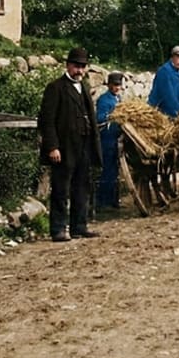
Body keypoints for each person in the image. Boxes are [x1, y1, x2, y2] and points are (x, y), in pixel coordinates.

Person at [38, 47, 102, 242]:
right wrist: (52, 147)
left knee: (82, 187)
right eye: (76, 66)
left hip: (83, 145)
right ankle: (58, 229)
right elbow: (46, 120)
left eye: (83, 67)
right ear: (68, 65)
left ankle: (79, 226)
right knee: (60, 188)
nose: (79, 71)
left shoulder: (83, 88)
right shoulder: (55, 88)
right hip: (64, 147)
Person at [95, 71, 125, 211]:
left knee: (115, 171)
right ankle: (102, 202)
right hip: (107, 139)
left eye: (119, 85)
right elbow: (100, 118)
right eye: (114, 85)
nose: (117, 88)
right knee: (107, 171)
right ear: (109, 85)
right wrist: (112, 116)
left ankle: (114, 200)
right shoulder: (104, 100)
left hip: (116, 139)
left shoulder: (119, 99)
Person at [148, 44, 179, 118]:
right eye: (178, 57)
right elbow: (168, 96)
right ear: (172, 57)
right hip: (163, 114)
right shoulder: (164, 71)